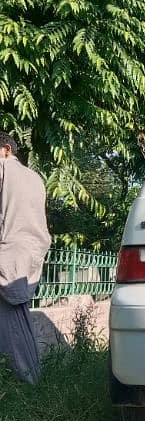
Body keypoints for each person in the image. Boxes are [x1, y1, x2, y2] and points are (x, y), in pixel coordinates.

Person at [0, 132, 51, 382]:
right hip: (29, 255)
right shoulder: (35, 178)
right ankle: (30, 380)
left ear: (7, 149)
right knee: (18, 319)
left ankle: (26, 381)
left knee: (11, 322)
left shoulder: (4, 168)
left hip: (7, 251)